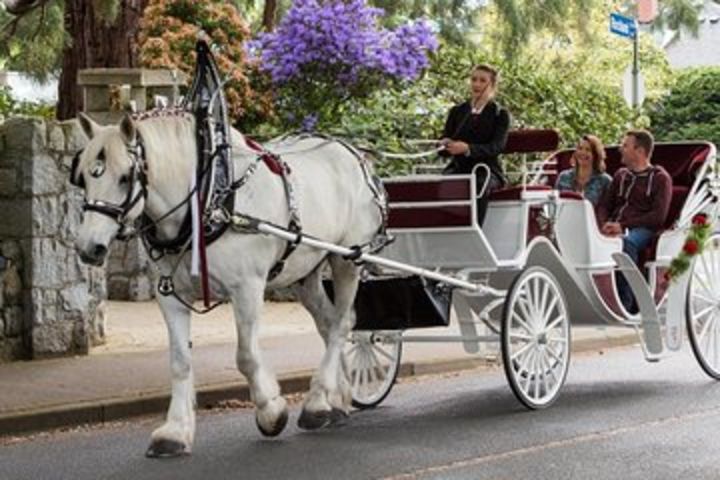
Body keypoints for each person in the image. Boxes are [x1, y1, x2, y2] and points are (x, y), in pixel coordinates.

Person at [597, 129, 672, 313]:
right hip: (614, 226)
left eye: (625, 146)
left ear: (639, 151)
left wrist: (622, 226)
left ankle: (627, 303)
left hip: (642, 229)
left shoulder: (660, 179)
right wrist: (602, 224)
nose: (620, 149)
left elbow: (658, 217)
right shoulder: (621, 176)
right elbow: (605, 205)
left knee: (626, 244)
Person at [439, 64, 511, 225]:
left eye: (482, 81)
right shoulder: (457, 111)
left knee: (478, 184)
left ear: (491, 86)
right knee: (442, 184)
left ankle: (474, 229)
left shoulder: (500, 114)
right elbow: (444, 144)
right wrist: (445, 144)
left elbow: (497, 147)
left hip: (487, 170)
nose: (476, 84)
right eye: (474, 80)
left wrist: (468, 149)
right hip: (458, 168)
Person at [555, 135, 612, 206]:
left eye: (588, 150)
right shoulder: (563, 177)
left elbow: (607, 210)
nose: (583, 153)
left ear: (596, 155)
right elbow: (555, 204)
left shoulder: (605, 181)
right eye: (580, 148)